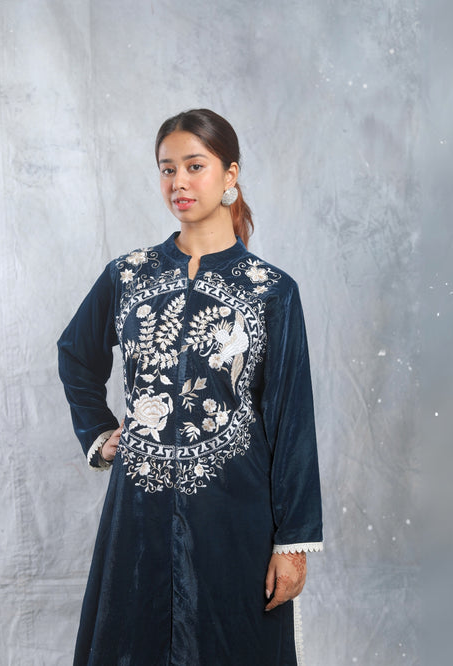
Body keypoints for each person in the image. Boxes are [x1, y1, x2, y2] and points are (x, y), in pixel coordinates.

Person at [58, 108, 323, 666]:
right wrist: (100, 433)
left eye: (194, 166)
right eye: (167, 168)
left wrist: (293, 543)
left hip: (236, 512)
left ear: (230, 174)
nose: (179, 181)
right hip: (139, 511)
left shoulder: (272, 291)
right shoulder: (128, 275)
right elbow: (76, 355)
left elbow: (291, 419)